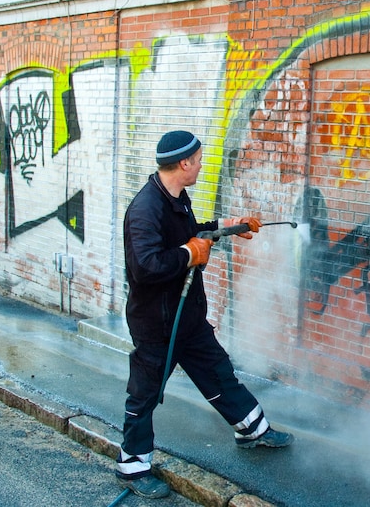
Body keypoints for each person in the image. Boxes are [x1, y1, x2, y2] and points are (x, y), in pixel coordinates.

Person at [117, 129, 293, 499]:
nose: (200, 165)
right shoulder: (146, 208)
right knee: (145, 394)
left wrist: (228, 228)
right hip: (157, 323)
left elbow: (189, 234)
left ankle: (252, 430)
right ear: (184, 163)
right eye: (197, 160)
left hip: (187, 317)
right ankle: (133, 467)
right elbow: (145, 266)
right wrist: (188, 253)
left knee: (218, 371)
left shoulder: (175, 198)